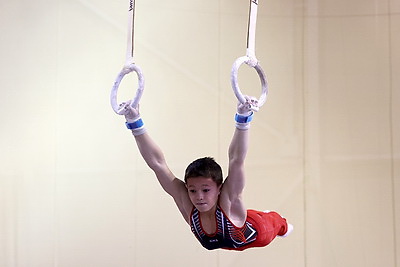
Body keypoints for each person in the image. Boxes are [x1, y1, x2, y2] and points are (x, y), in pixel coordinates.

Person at [119, 96, 293, 251]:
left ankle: (281, 224)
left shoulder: (227, 199)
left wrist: (243, 119)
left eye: (206, 190)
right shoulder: (186, 202)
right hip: (228, 242)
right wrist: (135, 122)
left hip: (259, 230)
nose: (198, 197)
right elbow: (157, 164)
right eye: (192, 190)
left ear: (219, 188)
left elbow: (236, 159)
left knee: (277, 224)